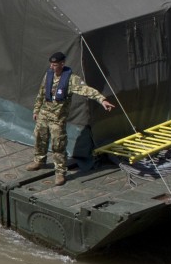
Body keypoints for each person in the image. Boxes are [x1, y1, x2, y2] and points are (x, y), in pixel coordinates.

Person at [28, 51, 115, 186]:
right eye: (51, 64)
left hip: (58, 119)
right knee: (40, 137)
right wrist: (36, 110)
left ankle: (60, 172)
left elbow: (87, 90)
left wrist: (101, 100)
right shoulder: (48, 75)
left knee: (58, 144)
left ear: (62, 64)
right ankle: (39, 160)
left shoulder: (71, 79)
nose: (52, 67)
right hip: (43, 115)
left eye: (55, 65)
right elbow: (41, 94)